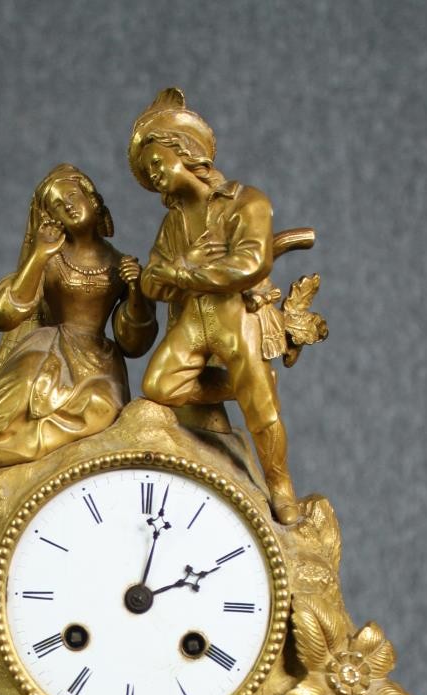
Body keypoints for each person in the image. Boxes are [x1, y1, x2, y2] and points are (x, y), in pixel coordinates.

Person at [128, 89, 306, 524]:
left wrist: (183, 272)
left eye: (157, 164)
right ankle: (245, 385)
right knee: (159, 385)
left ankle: (281, 487)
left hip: (235, 315)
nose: (154, 178)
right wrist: (177, 274)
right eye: (148, 174)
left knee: (261, 412)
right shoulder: (173, 223)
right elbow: (153, 280)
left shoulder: (247, 201)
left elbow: (248, 263)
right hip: (195, 318)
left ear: (184, 152)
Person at [0, 165, 157, 489]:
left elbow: (133, 342)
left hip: (99, 361)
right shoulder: (52, 258)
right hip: (49, 344)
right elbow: (3, 313)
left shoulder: (119, 263)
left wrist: (136, 291)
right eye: (57, 205)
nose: (67, 205)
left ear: (93, 200)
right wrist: (39, 255)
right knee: (21, 383)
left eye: (72, 196)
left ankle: (22, 451)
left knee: (103, 409)